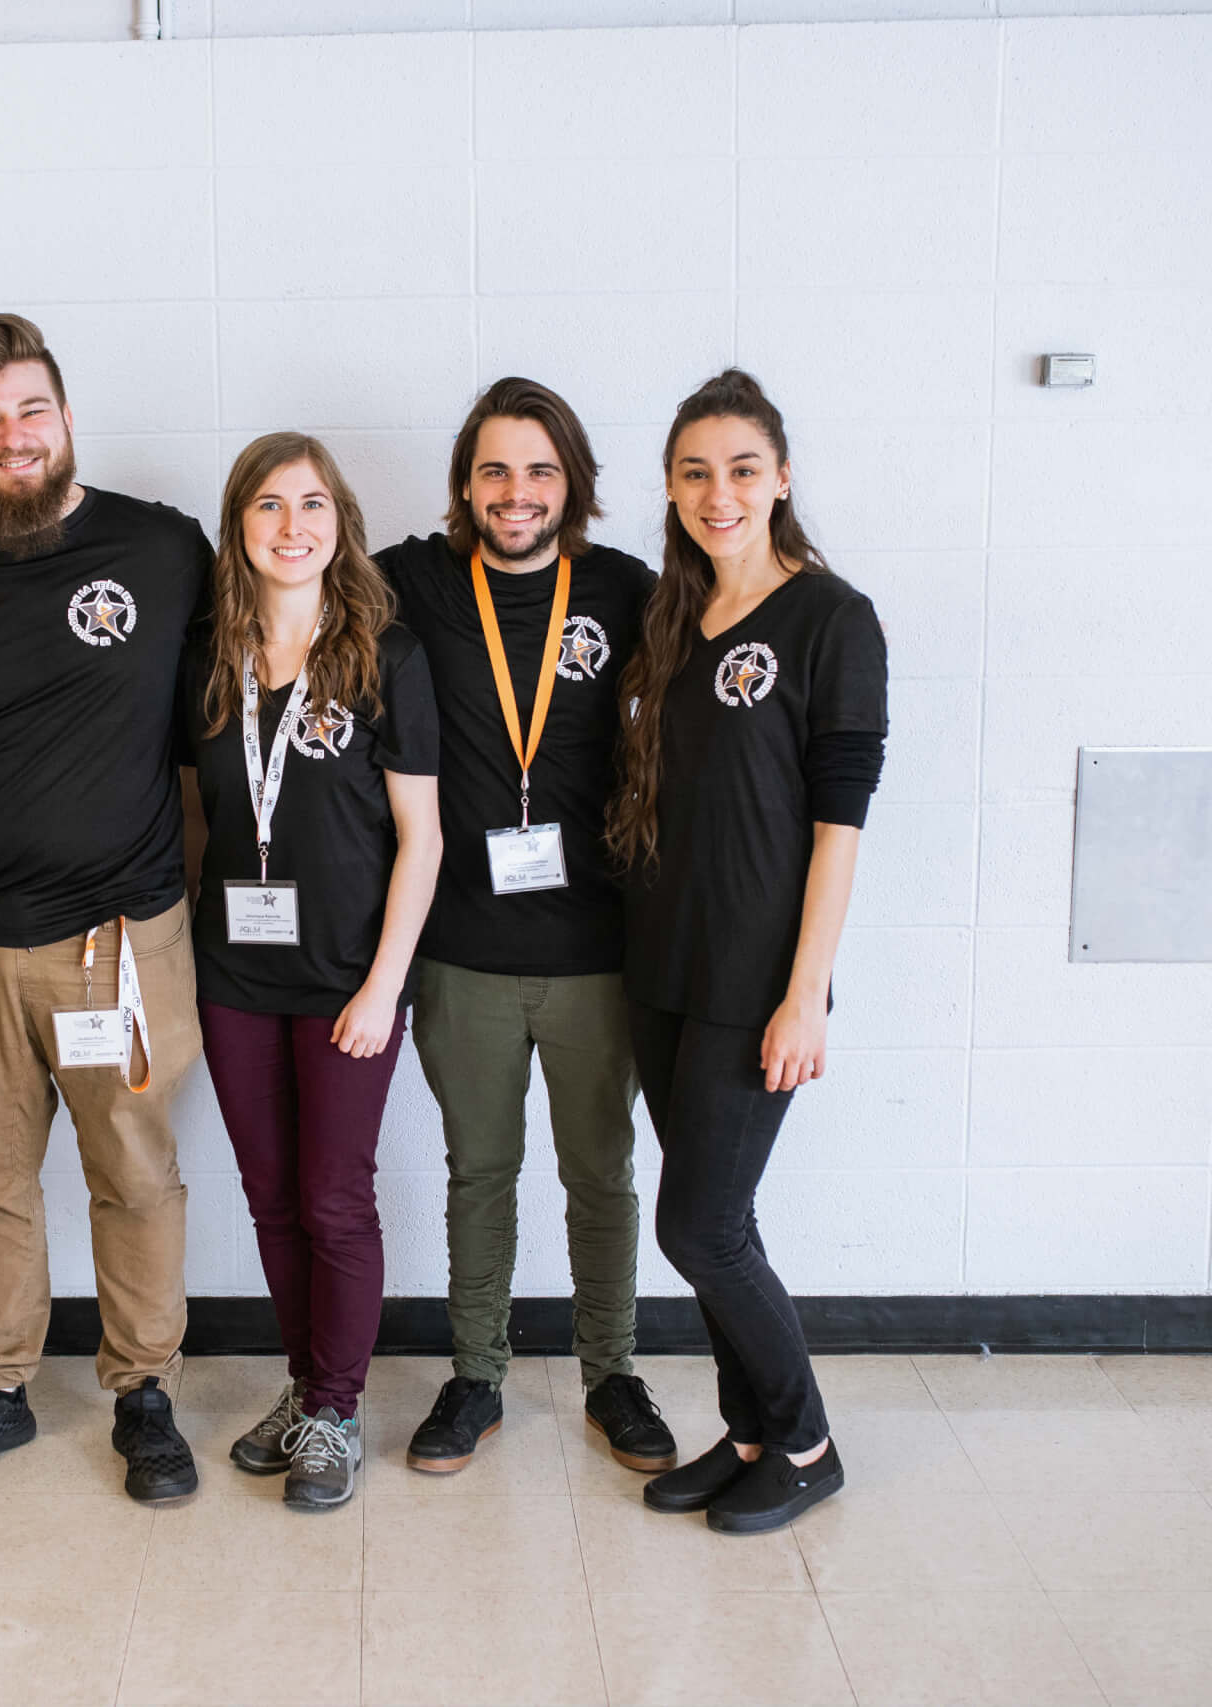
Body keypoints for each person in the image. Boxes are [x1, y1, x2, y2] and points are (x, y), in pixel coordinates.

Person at [0, 313, 210, 1504]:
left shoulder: (164, 548)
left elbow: (202, 750)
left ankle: (144, 1388)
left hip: (117, 937)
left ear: (65, 417)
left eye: (29, 411)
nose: (11, 437)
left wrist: (186, 902)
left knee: (133, 1171)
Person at [376, 379, 676, 1478]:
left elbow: (729, 623)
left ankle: (614, 1374)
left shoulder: (623, 589)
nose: (516, 493)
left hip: (598, 951)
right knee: (479, 1174)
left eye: (539, 470)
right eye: (494, 470)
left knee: (601, 1174)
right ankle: (475, 1376)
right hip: (462, 954)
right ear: (466, 482)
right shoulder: (412, 582)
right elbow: (297, 591)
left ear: (572, 484)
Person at [609, 369, 886, 1535]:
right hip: (663, 968)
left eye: (739, 469)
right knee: (723, 1221)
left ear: (780, 478)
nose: (716, 494)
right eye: (693, 473)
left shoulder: (831, 619)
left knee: (698, 1228)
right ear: (670, 490)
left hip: (754, 982)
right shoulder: (674, 618)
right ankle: (754, 1432)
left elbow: (840, 823)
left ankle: (808, 1443)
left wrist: (806, 994)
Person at [183, 434, 443, 1511]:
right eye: (269, 507)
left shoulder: (385, 655)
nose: (292, 527)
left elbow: (420, 839)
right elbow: (198, 816)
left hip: (348, 982)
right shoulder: (208, 658)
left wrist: (384, 987)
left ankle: (334, 1409)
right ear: (238, 526)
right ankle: (303, 1389)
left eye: (313, 506)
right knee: (270, 1197)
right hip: (235, 974)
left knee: (335, 1200)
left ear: (341, 526)